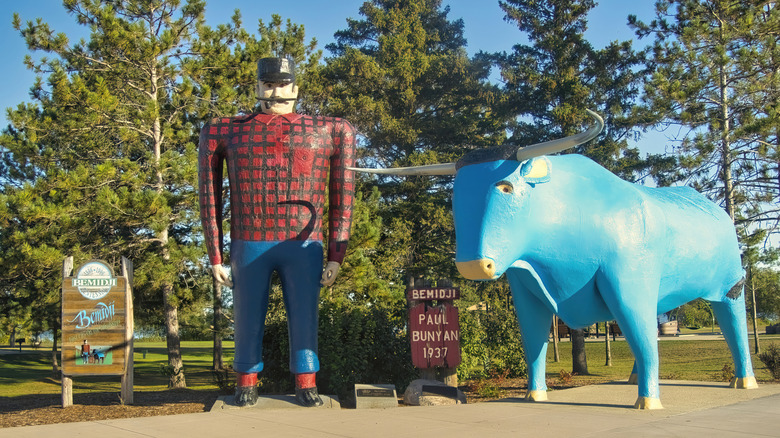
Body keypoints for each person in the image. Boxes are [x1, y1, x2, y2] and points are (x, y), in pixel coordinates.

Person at [198, 57, 356, 407]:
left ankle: (306, 381)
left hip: (304, 241)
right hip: (249, 238)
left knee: (305, 311)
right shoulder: (225, 130)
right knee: (246, 311)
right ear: (257, 88)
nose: (275, 91)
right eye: (268, 84)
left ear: (296, 89)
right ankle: (246, 382)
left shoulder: (331, 130)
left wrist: (336, 253)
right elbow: (209, 194)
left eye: (283, 84)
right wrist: (215, 255)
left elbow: (342, 193)